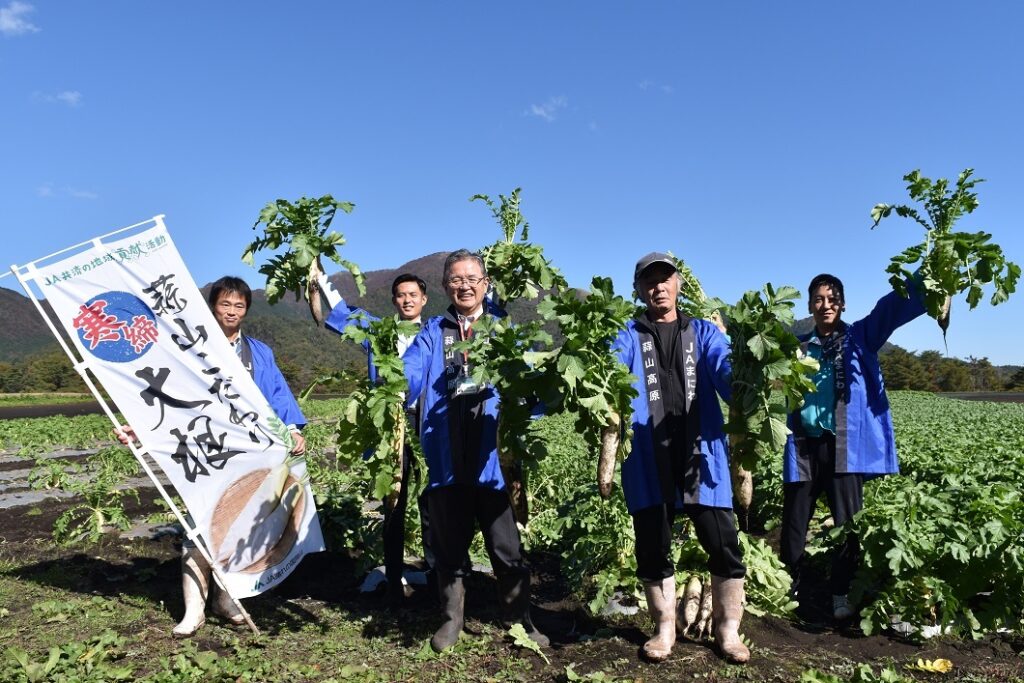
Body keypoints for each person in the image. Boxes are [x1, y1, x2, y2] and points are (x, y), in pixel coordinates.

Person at [118, 276, 306, 637]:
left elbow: (278, 394)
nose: (232, 311)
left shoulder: (258, 352)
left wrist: (293, 428)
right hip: (204, 449)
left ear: (246, 310)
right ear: (212, 308)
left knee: (236, 526)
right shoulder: (191, 349)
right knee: (198, 524)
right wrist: (138, 426)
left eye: (239, 305)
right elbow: (166, 392)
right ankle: (194, 609)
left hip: (248, 452)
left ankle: (225, 599)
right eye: (225, 304)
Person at [401, 249, 548, 652]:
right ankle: (451, 619)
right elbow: (412, 369)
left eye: (472, 279)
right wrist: (397, 383)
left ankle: (520, 620)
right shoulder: (433, 332)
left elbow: (526, 377)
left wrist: (541, 389)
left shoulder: (502, 328)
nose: (464, 286)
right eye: (456, 280)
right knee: (449, 546)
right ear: (445, 286)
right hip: (446, 456)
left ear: (485, 284)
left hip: (492, 459)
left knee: (506, 546)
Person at [611, 252, 749, 664]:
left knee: (723, 542)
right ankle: (664, 628)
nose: (658, 287)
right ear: (639, 289)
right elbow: (612, 373)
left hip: (701, 454)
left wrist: (746, 368)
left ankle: (728, 629)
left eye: (665, 278)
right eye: (649, 281)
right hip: (647, 454)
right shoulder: (627, 335)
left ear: (678, 284)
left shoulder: (704, 332)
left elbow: (726, 375)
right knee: (653, 545)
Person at [781, 273, 924, 621]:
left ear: (842, 304)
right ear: (810, 305)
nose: (825, 305)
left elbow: (890, 310)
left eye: (832, 299)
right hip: (804, 444)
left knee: (847, 523)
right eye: (818, 299)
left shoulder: (860, 337)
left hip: (843, 446)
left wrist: (925, 277)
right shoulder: (797, 348)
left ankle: (840, 593)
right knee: (795, 521)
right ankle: (789, 586)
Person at [315, 272, 435, 603]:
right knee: (393, 501)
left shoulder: (436, 333)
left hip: (426, 422)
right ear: (394, 300)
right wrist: (320, 279)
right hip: (390, 423)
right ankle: (394, 578)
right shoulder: (380, 331)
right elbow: (345, 313)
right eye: (401, 295)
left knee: (431, 500)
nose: (407, 300)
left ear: (424, 299)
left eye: (413, 294)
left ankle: (435, 573)